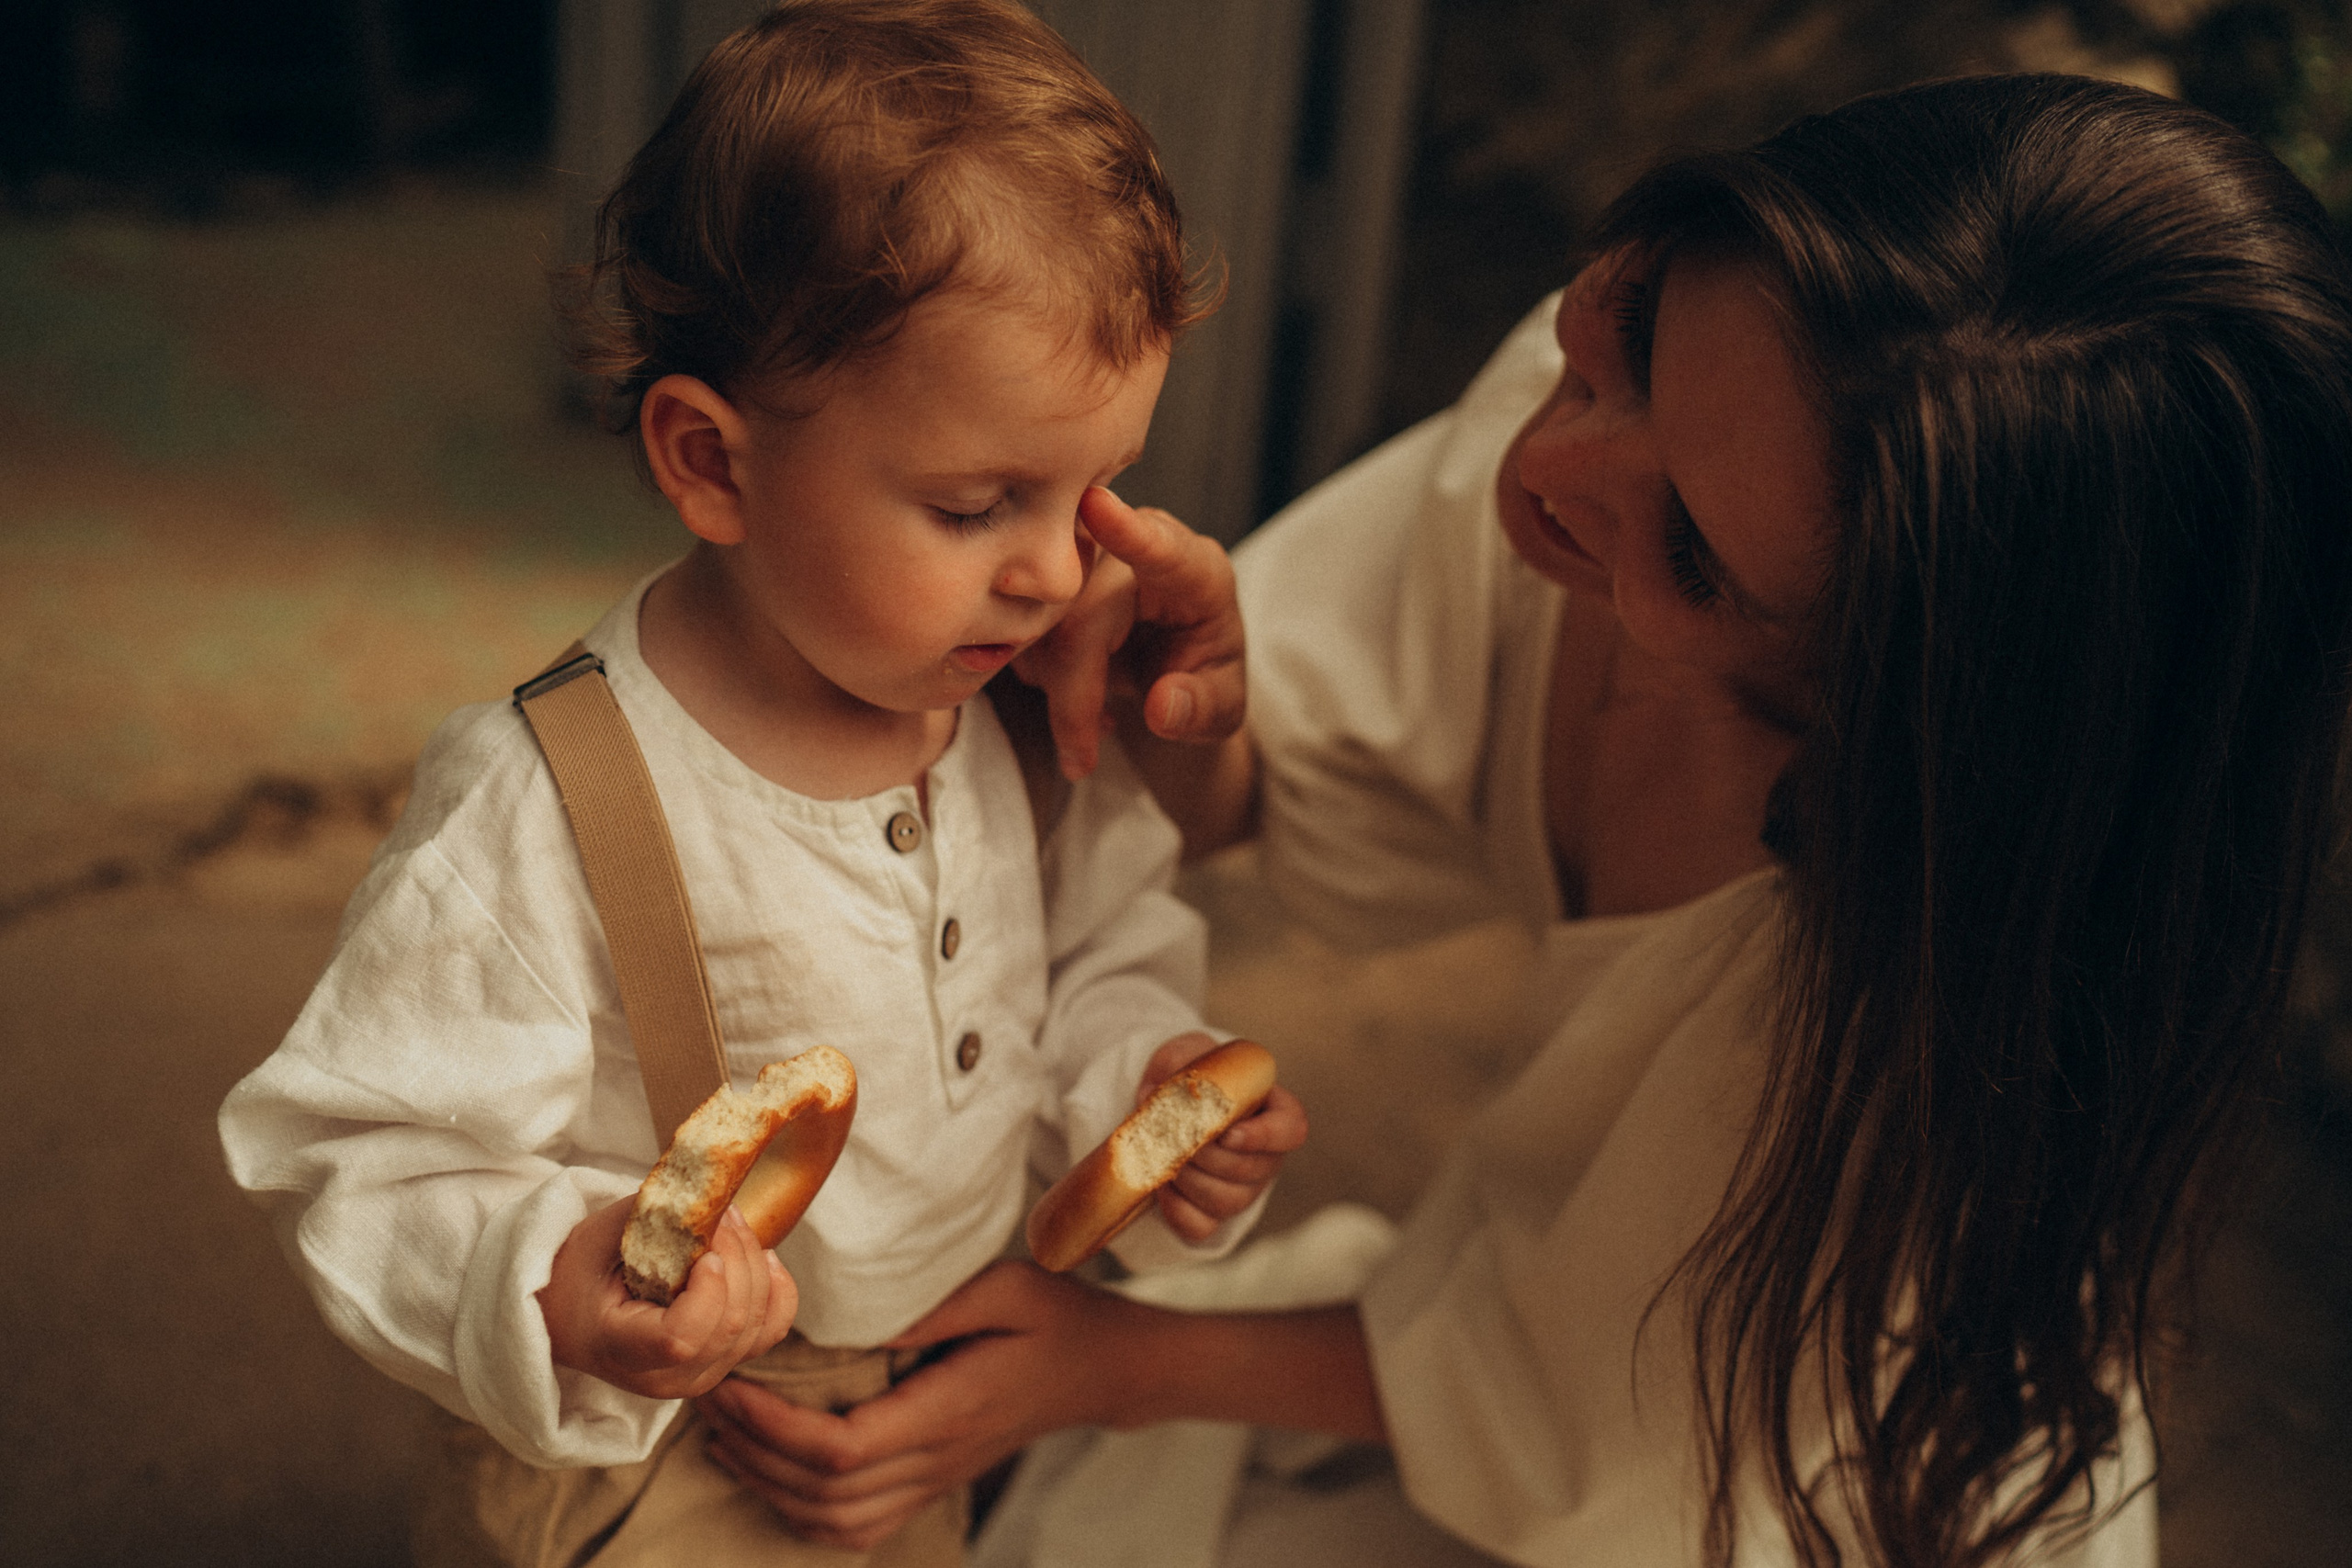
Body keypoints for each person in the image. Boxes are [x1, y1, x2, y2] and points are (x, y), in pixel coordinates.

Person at [681, 73, 2352, 1568]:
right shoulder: (1645, 430)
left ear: (1895, 705)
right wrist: (1190, 705)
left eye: (1688, 554)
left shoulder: (1915, 998)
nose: (1554, 468)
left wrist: (1115, 1365)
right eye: (1618, 340)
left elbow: (1623, 1423)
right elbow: (1323, 818)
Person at [215, 4, 1305, 1564]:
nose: (1057, 570)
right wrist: (557, 1281)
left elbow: (1099, 950)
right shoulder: (552, 806)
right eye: (977, 501)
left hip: (941, 1394)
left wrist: (1143, 1086)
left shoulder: (1011, 707)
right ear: (713, 463)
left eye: (1091, 491)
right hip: (667, 1451)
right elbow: (355, 1148)